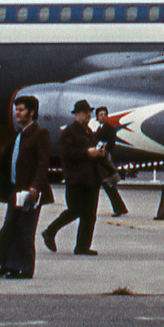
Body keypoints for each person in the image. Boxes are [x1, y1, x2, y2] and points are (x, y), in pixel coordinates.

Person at [0, 95, 53, 279]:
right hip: (15, 189)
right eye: (16, 109)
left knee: (26, 229)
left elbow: (43, 164)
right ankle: (6, 264)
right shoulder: (19, 134)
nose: (17, 113)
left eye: (21, 110)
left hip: (30, 191)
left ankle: (25, 268)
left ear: (31, 112)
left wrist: (35, 187)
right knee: (9, 226)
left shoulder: (40, 134)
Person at [43, 100, 103, 256]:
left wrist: (98, 153)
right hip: (76, 178)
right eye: (85, 112)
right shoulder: (69, 131)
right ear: (76, 115)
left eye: (89, 112)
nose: (88, 115)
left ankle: (82, 246)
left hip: (91, 178)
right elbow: (67, 153)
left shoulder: (88, 131)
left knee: (90, 214)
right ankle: (50, 231)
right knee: (75, 209)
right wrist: (87, 153)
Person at [93, 107, 128, 217]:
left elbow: (111, 143)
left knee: (108, 185)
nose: (103, 116)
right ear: (97, 117)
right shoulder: (99, 129)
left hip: (103, 159)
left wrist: (104, 149)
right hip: (99, 160)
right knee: (107, 186)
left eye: (104, 114)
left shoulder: (109, 129)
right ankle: (120, 208)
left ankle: (119, 208)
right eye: (100, 115)